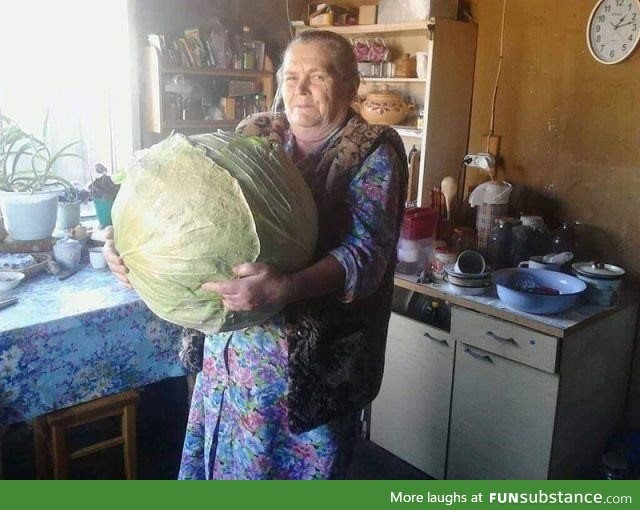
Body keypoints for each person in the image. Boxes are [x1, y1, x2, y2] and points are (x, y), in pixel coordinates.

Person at [104, 30, 407, 479]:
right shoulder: (258, 133)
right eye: (291, 77)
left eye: (317, 76)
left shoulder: (372, 150)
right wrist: (129, 242)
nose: (299, 90)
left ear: (351, 85)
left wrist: (289, 286)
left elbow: (367, 256)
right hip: (232, 356)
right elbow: (192, 204)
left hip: (307, 372)